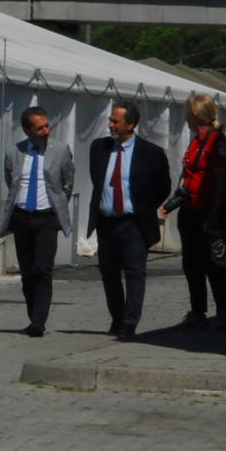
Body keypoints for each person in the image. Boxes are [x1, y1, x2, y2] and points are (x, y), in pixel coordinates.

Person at [87, 101, 171, 341]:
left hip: (134, 222)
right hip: (106, 220)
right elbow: (97, 180)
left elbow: (163, 186)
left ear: (131, 124)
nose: (110, 125)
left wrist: (143, 206)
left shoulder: (151, 153)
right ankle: (117, 316)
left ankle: (129, 322)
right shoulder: (99, 148)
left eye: (116, 121)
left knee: (135, 273)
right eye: (110, 120)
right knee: (108, 273)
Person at [0, 106, 75, 337]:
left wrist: (57, 205)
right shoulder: (14, 152)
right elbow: (11, 181)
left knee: (42, 269)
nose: (45, 131)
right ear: (27, 130)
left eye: (47, 126)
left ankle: (39, 321)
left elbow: (67, 181)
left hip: (46, 216)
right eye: (39, 127)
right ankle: (33, 315)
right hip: (22, 216)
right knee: (27, 271)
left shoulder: (60, 150)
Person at [160, 94, 226, 331]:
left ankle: (224, 310)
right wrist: (172, 203)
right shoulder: (195, 141)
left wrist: (215, 215)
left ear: (195, 115)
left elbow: (221, 182)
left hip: (209, 210)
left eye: (188, 113)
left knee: (215, 264)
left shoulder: (216, 142)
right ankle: (197, 310)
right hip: (190, 209)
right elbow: (190, 178)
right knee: (192, 264)